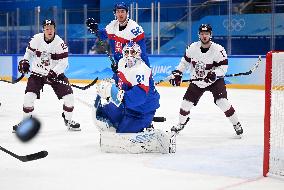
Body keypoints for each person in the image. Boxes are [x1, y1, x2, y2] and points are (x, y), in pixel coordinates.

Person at [92, 42, 175, 153]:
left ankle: (148, 129)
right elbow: (119, 78)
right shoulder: (121, 62)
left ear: (139, 54)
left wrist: (115, 93)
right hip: (126, 104)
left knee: (122, 137)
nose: (130, 55)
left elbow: (139, 97)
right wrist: (112, 83)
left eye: (133, 52)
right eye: (127, 52)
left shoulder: (141, 70)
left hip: (142, 110)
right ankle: (127, 121)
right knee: (103, 113)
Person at [169, 24, 243, 137]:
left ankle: (236, 124)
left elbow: (223, 68)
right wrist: (178, 73)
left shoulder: (218, 49)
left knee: (222, 101)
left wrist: (215, 74)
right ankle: (181, 123)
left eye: (207, 34)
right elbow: (184, 63)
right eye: (202, 34)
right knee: (185, 104)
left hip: (214, 81)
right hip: (197, 82)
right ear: (199, 35)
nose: (204, 36)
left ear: (210, 35)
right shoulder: (192, 48)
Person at [13, 19, 80, 132]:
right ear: (43, 29)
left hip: (55, 74)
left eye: (51, 28)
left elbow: (64, 63)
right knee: (28, 97)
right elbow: (29, 53)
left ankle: (68, 120)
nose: (49, 31)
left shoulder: (60, 43)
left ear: (54, 29)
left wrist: (54, 72)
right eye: (47, 28)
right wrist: (25, 61)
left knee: (69, 98)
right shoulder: (37, 39)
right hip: (37, 73)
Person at [86, 2, 150, 73]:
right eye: (118, 12)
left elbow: (142, 53)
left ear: (127, 13)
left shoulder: (135, 29)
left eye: (122, 11)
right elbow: (102, 35)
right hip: (119, 67)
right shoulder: (112, 26)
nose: (120, 14)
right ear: (115, 14)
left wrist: (146, 72)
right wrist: (95, 30)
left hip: (134, 68)